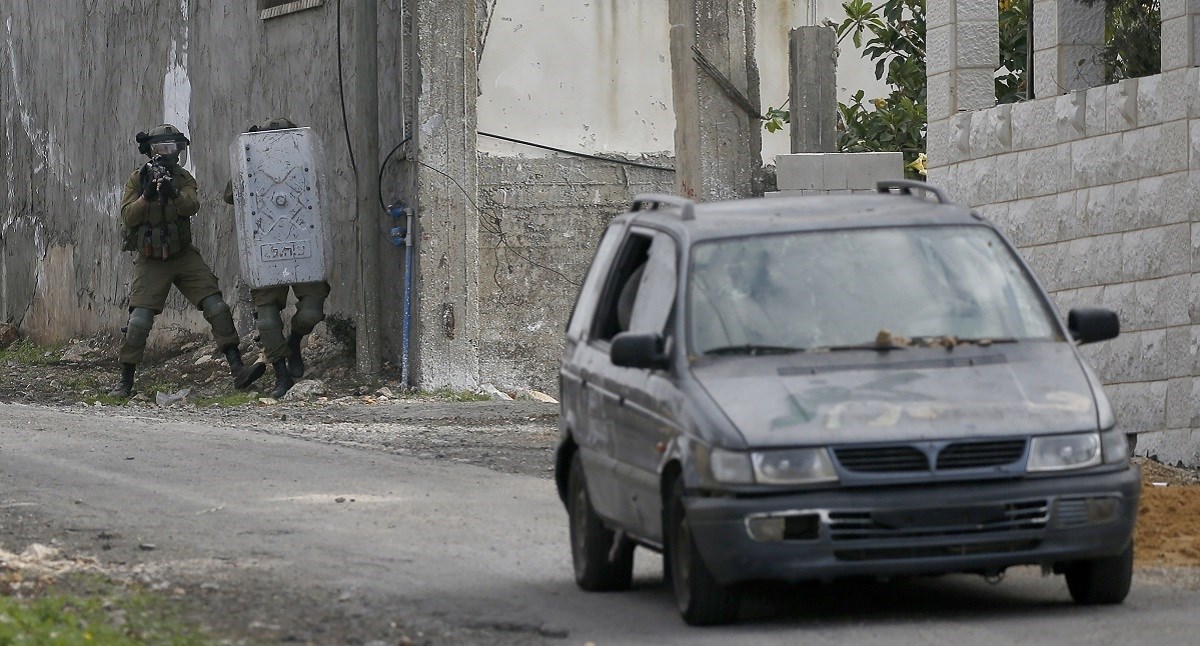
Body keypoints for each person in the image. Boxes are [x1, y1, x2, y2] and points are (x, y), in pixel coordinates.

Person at [109, 124, 266, 397]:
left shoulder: (184, 179)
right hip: (151, 259)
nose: (166, 153)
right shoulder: (137, 178)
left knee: (217, 306)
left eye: (172, 147)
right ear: (150, 151)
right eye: (161, 148)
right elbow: (128, 217)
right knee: (139, 322)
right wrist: (146, 196)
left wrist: (173, 193)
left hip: (183, 255)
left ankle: (237, 368)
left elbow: (192, 206)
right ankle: (125, 382)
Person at [224, 117, 332, 399]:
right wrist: (246, 156)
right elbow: (231, 195)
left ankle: (294, 341)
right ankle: (282, 375)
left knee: (311, 312)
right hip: (266, 247)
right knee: (268, 322)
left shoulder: (305, 160)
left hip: (303, 244)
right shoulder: (254, 165)